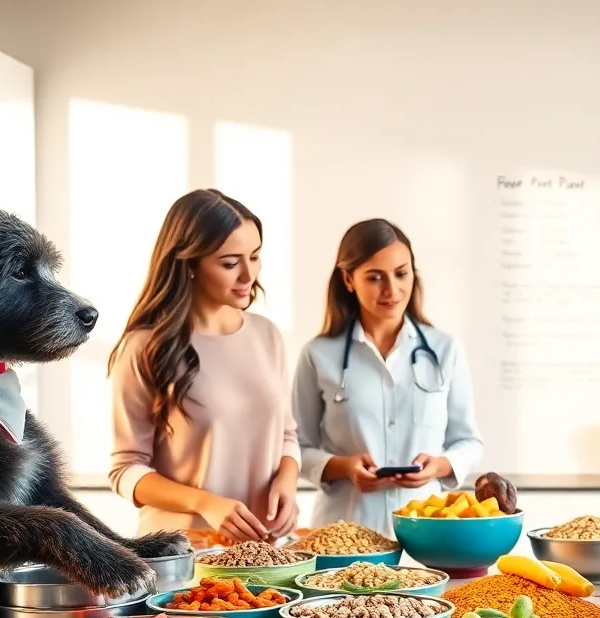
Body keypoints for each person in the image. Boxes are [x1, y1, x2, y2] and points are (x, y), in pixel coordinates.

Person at [109, 189, 300, 545]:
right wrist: (206, 504)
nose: (248, 275)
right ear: (190, 264)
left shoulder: (267, 335)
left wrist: (286, 481)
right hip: (185, 556)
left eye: (255, 257)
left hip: (268, 553)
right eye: (230, 263)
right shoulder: (144, 347)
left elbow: (287, 435)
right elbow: (126, 470)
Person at [292, 219, 483, 534]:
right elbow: (297, 446)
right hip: (343, 533)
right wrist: (342, 466)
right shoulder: (318, 354)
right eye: (374, 277)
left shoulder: (445, 349)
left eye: (401, 273)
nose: (391, 290)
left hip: (425, 532)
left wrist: (440, 465)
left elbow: (468, 441)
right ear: (348, 280)